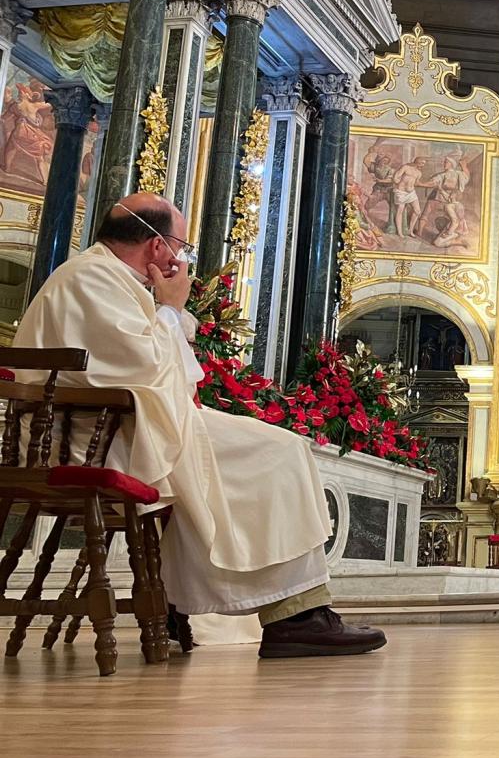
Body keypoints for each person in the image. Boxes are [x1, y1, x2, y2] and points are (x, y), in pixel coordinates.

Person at [14, 193, 386, 659]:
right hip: (97, 439)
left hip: (120, 428)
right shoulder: (90, 280)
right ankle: (296, 617)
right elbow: (147, 367)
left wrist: (168, 312)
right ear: (157, 245)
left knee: (276, 447)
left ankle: (183, 601)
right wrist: (170, 308)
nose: (179, 258)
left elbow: (156, 369)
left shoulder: (107, 277)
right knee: (280, 452)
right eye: (180, 247)